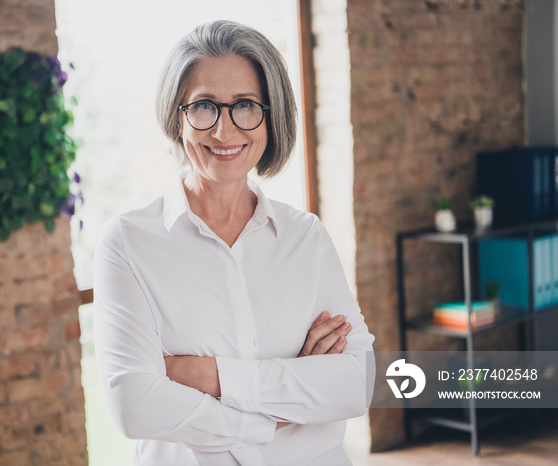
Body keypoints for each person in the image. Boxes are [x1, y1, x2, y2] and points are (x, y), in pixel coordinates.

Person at [93, 20, 375, 466]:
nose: (224, 132)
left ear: (271, 113)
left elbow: (356, 383)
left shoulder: (306, 238)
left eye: (245, 105)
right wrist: (284, 399)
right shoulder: (127, 243)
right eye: (205, 106)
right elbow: (135, 404)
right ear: (177, 114)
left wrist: (207, 376)